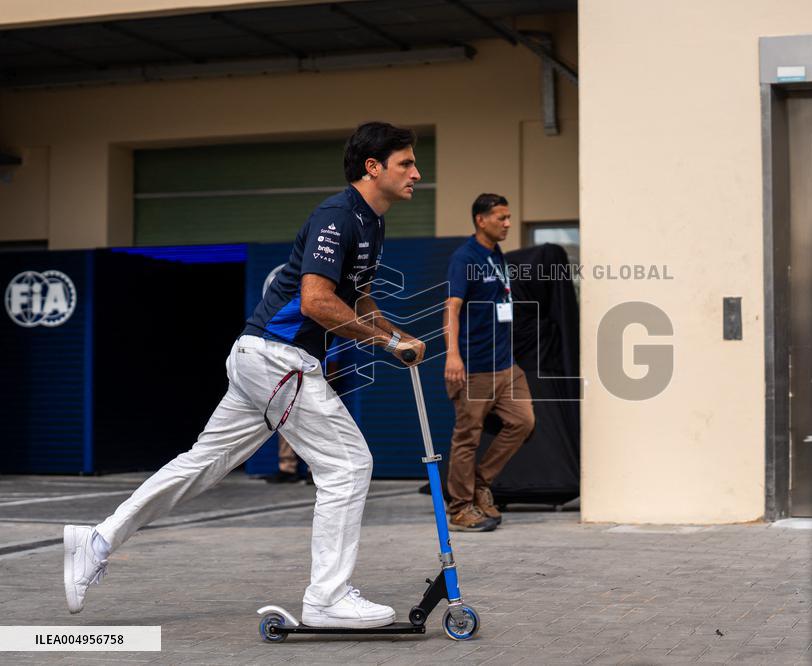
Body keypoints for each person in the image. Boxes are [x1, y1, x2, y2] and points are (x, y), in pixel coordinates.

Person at [63, 122, 426, 629]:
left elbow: (357, 299)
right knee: (348, 465)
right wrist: (387, 342)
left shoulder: (373, 223)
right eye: (406, 163)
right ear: (373, 167)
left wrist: (397, 336)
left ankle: (98, 539)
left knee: (204, 462)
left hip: (262, 360)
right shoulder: (338, 216)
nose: (417, 172)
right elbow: (316, 301)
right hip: (280, 358)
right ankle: (327, 599)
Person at [443, 193, 535, 532]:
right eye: (502, 218)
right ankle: (460, 508)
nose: (508, 224)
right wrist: (453, 355)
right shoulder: (464, 258)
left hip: (505, 365)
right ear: (481, 220)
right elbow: (451, 308)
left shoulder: (497, 256)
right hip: (474, 365)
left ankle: (480, 484)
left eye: (509, 217)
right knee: (467, 437)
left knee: (523, 421)